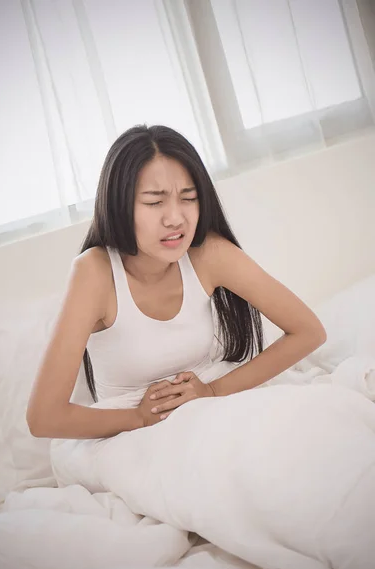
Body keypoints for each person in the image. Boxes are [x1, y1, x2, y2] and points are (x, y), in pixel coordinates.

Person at [27, 124, 326, 440]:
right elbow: (43, 417)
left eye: (188, 198)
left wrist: (211, 392)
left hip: (208, 411)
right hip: (129, 433)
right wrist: (141, 418)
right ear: (119, 205)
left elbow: (309, 332)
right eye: (155, 202)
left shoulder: (208, 254)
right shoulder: (94, 272)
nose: (175, 218)